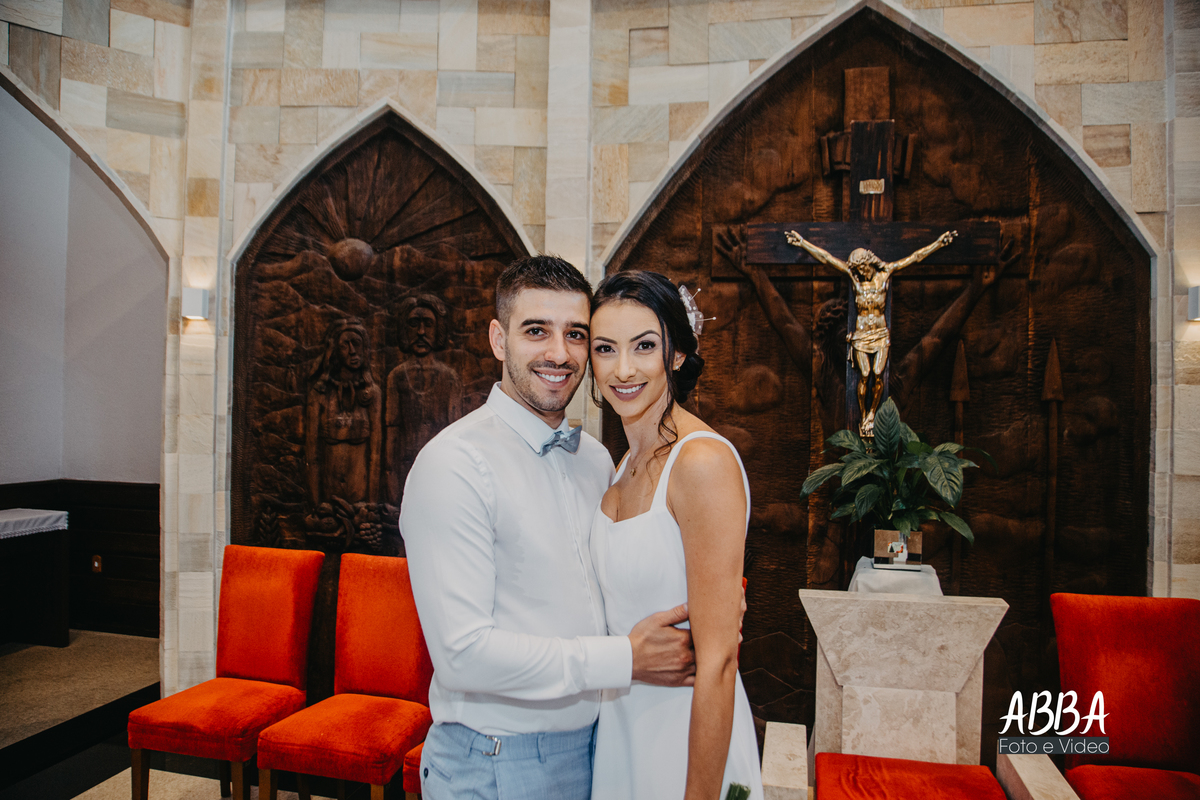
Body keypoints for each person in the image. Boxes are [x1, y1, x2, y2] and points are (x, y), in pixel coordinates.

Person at [400, 256, 698, 800]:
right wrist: (627, 659)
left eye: (576, 334)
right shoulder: (454, 464)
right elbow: (463, 655)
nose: (559, 354)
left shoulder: (595, 460)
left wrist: (704, 604)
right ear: (499, 339)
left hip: (601, 746)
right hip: (496, 762)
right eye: (536, 331)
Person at [588, 270, 763, 799]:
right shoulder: (620, 466)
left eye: (644, 346)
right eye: (605, 348)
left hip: (685, 733)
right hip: (623, 727)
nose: (623, 369)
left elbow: (719, 660)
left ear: (678, 354)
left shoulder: (701, 463)